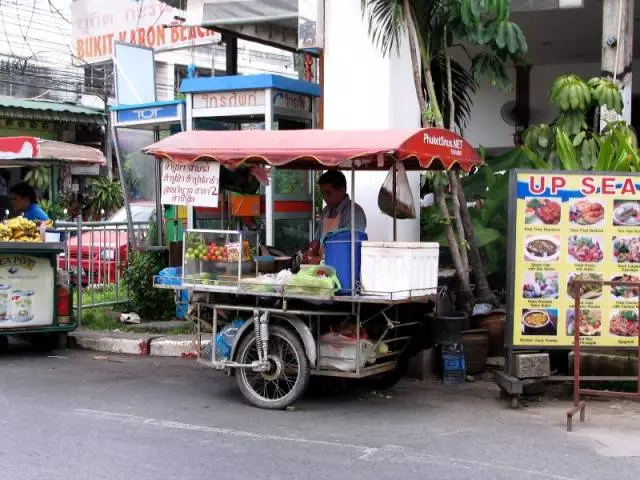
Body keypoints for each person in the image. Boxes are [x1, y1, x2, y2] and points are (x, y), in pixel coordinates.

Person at [307, 170, 366, 257]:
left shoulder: (355, 213)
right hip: (324, 265)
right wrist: (313, 250)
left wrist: (323, 259)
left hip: (343, 263)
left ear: (342, 190)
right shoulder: (326, 211)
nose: (325, 198)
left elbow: (351, 246)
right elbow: (318, 239)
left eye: (328, 193)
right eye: (323, 194)